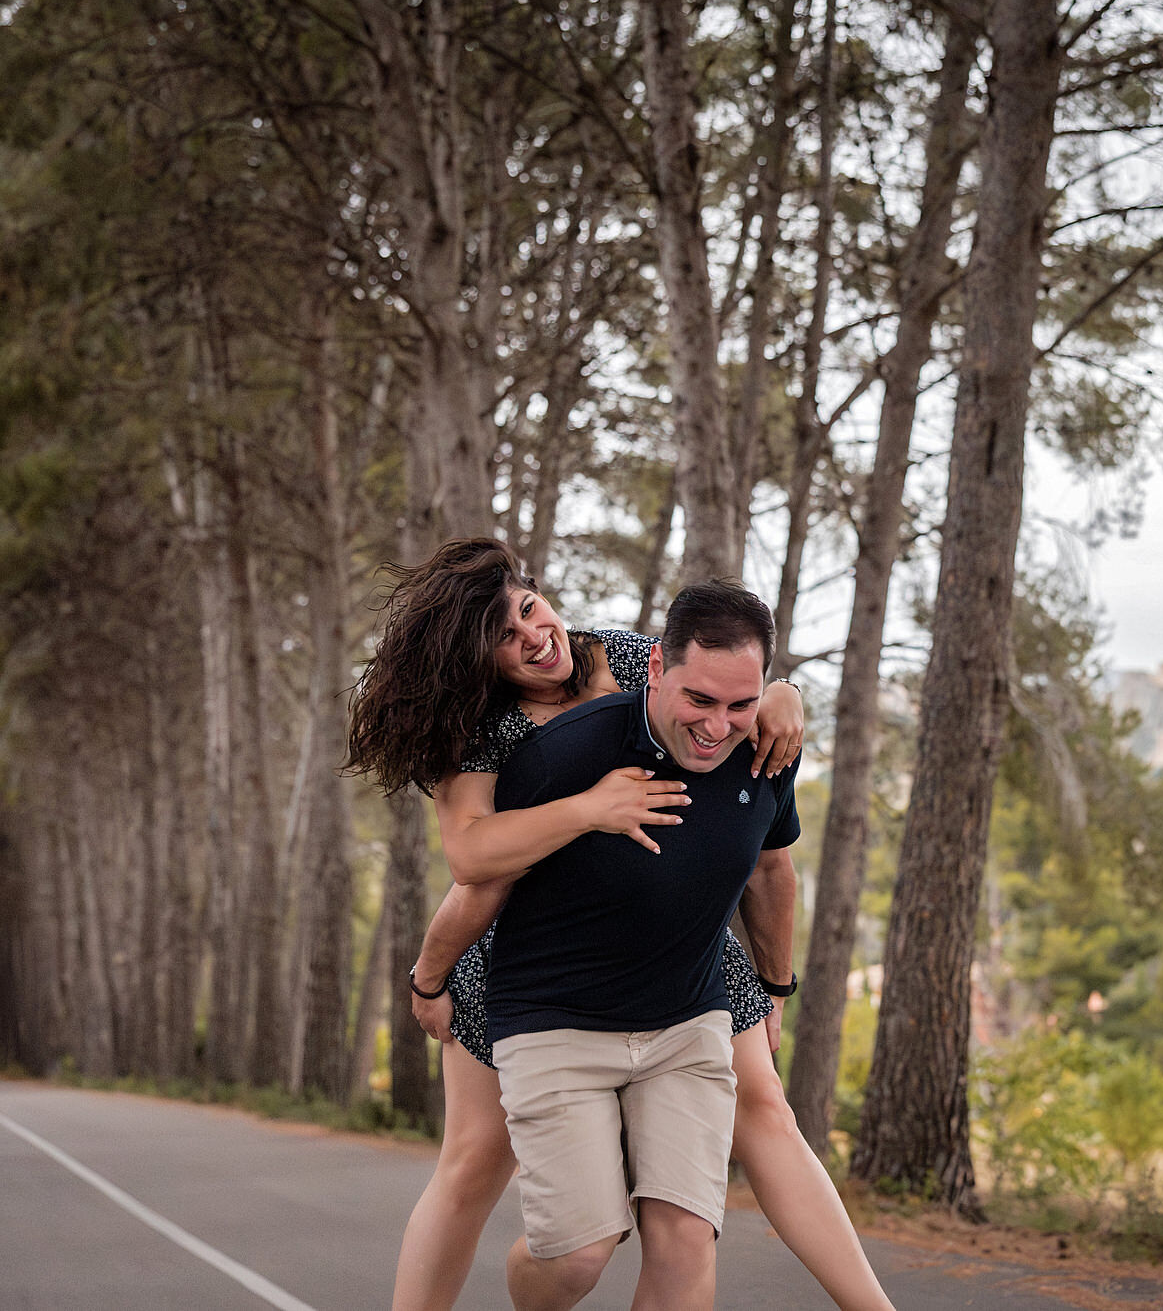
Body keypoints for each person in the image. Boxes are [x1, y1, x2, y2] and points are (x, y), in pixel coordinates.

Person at [345, 538, 893, 1311]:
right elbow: (472, 859)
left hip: (676, 928)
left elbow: (720, 684)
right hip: (531, 938)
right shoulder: (484, 727)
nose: (535, 636)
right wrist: (430, 973)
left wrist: (784, 693)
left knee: (767, 1110)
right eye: (504, 637)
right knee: (473, 1162)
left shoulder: (633, 657)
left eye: (529, 610)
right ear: (477, 662)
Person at [487, 578, 798, 1311]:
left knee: (686, 1239)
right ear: (655, 668)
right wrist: (432, 976)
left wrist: (775, 991)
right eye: (701, 700)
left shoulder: (765, 749)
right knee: (578, 1256)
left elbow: (772, 872)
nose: (720, 726)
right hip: (554, 1017)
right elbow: (475, 872)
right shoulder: (549, 751)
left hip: (684, 1022)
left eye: (740, 704)